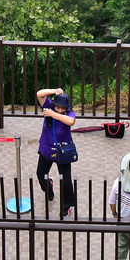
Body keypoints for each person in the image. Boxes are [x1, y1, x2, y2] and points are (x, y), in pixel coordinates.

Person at [35, 88, 77, 219]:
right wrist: (54, 91)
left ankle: (67, 205)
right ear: (54, 104)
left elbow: (71, 122)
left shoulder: (69, 114)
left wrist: (53, 114)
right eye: (57, 107)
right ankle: (49, 187)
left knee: (66, 181)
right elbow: (39, 94)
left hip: (62, 152)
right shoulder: (48, 106)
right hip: (46, 150)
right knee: (40, 175)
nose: (60, 110)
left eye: (63, 108)